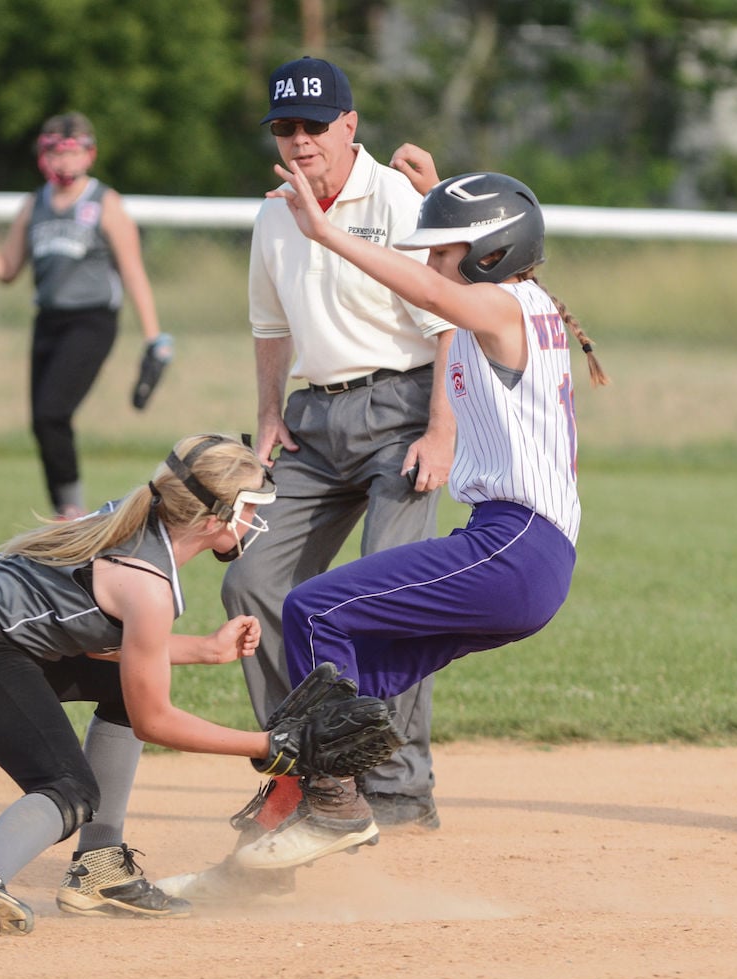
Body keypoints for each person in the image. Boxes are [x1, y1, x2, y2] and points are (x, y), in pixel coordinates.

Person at [229, 152, 609, 869]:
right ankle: (298, 796)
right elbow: (461, 282)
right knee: (358, 667)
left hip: (513, 547)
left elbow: (438, 300)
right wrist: (440, 198)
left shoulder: (502, 307)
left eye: (444, 247)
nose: (432, 261)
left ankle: (334, 806)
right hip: (525, 558)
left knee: (314, 612)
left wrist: (330, 235)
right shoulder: (521, 301)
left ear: (492, 253)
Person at [219, 56, 457, 850]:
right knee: (252, 581)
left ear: (350, 126)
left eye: (314, 126)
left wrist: (442, 428)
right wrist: (265, 420)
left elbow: (447, 320)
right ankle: (315, 771)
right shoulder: (273, 215)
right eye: (285, 127)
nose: (299, 140)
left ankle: (399, 786)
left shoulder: (397, 199)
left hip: (402, 413)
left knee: (387, 596)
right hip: (312, 425)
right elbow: (269, 327)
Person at [0, 434, 282, 935]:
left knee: (122, 690)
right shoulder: (148, 582)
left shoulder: (138, 519)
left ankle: (100, 873)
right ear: (215, 517)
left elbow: (96, 642)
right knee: (70, 787)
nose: (256, 519)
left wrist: (207, 649)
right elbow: (156, 722)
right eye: (252, 506)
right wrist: (268, 746)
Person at [0, 111, 172, 520]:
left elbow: (133, 271)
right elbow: (6, 271)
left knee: (53, 412)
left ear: (90, 155)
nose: (64, 162)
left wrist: (154, 337)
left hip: (91, 320)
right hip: (47, 321)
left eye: (73, 152)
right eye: (55, 152)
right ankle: (65, 513)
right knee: (42, 422)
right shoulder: (35, 204)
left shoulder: (104, 203)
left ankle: (72, 514)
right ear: (43, 156)